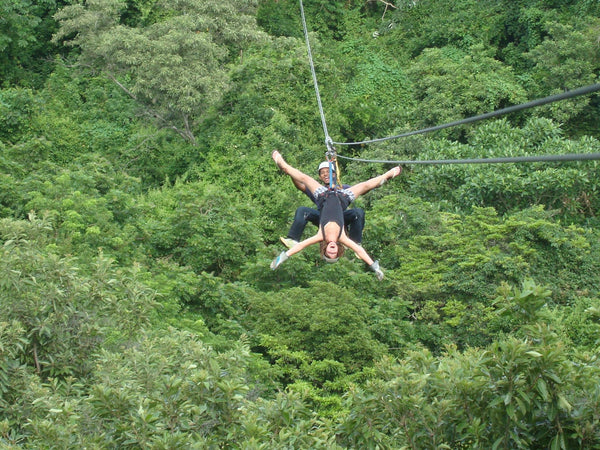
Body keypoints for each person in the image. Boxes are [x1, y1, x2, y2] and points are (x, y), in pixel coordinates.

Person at [270, 150, 401, 280]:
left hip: (323, 196)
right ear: (338, 250)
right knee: (365, 185)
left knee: (304, 178)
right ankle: (389, 175)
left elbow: (299, 246)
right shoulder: (342, 237)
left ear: (326, 249)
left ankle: (282, 164)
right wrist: (375, 268)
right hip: (342, 198)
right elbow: (360, 251)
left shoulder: (320, 235)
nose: (332, 250)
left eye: (329, 252)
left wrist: (280, 259)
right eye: (334, 253)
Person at [280, 160, 365, 249]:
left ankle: (355, 243)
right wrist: (291, 174)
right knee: (302, 210)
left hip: (340, 217)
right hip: (323, 218)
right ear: (320, 177)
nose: (325, 174)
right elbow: (301, 186)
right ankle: (293, 239)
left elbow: (361, 190)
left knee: (358, 212)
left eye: (328, 172)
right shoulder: (318, 190)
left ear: (334, 174)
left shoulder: (343, 188)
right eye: (322, 173)